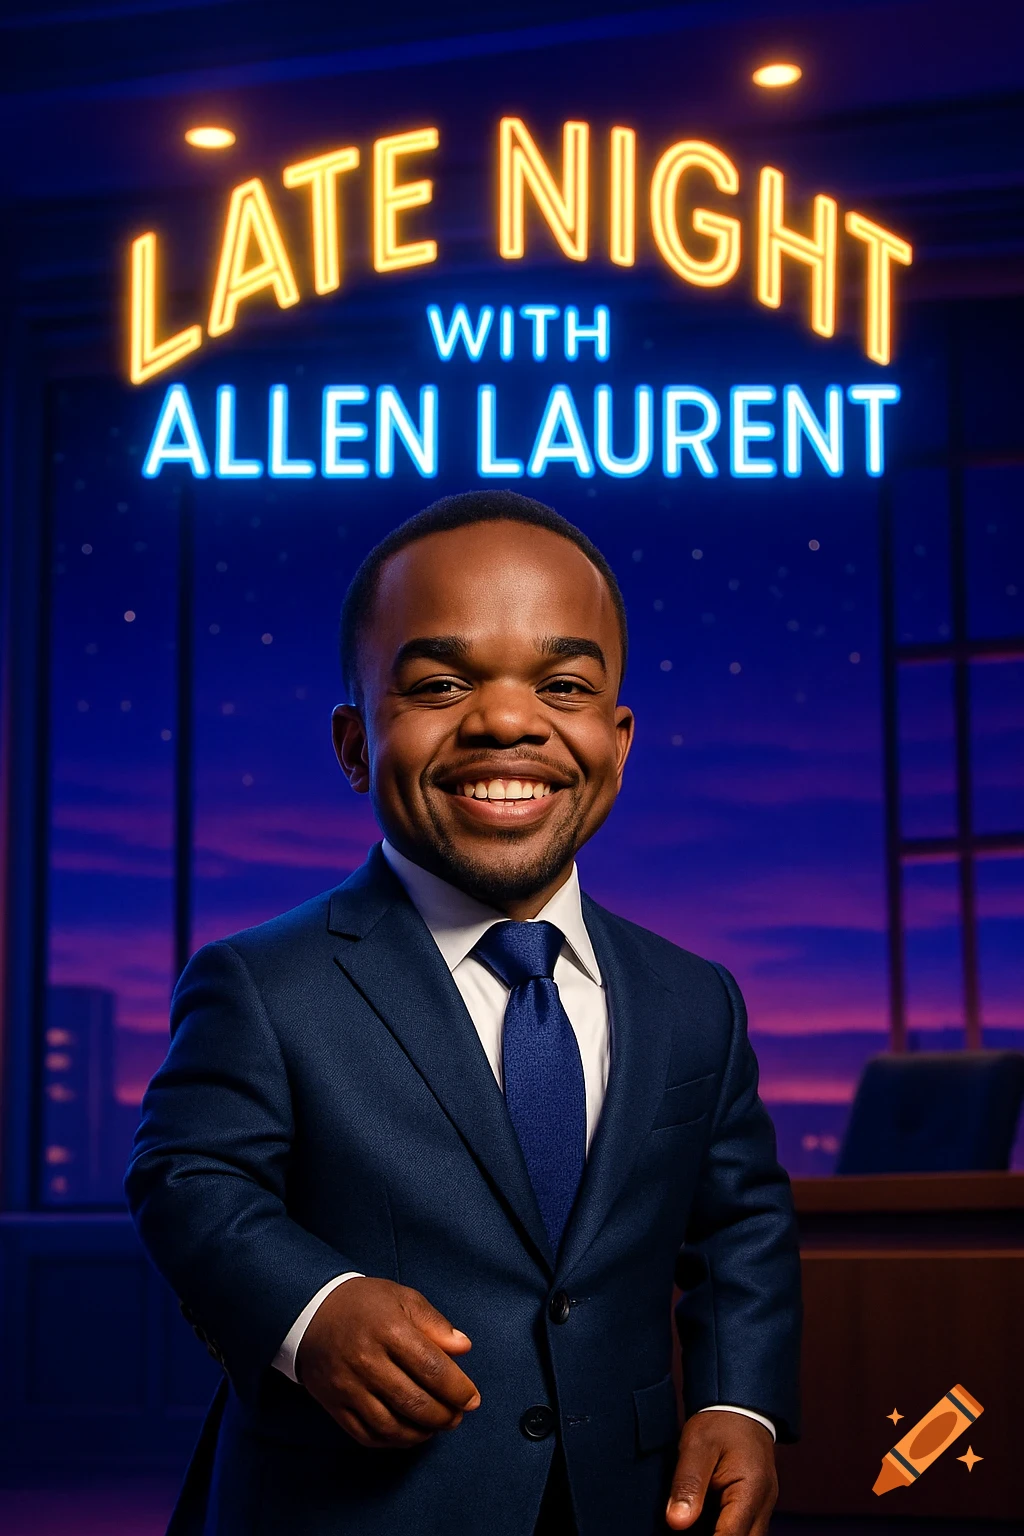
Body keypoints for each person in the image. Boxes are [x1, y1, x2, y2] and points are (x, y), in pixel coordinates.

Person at [126, 489, 801, 1536]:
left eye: (563, 683)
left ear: (616, 742)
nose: (504, 719)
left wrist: (736, 1397)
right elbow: (187, 1177)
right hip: (349, 1506)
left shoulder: (693, 999)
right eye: (440, 683)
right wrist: (310, 1310)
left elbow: (740, 1223)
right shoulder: (260, 983)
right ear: (355, 745)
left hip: (625, 1503)